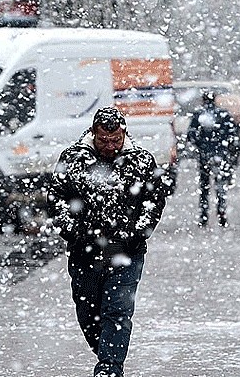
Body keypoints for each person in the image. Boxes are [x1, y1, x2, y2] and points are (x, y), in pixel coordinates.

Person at [48, 106, 169, 377]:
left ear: (124, 133)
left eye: (115, 140)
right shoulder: (73, 158)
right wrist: (71, 230)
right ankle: (105, 351)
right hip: (85, 251)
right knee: (88, 312)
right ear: (93, 133)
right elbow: (56, 197)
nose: (110, 146)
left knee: (118, 310)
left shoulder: (141, 160)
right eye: (104, 140)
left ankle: (109, 369)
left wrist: (138, 232)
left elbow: (154, 200)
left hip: (126, 251)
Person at [187, 90, 240, 227]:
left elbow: (191, 135)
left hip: (204, 156)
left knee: (205, 187)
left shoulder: (199, 115)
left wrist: (200, 146)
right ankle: (221, 214)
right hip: (221, 155)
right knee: (220, 186)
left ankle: (204, 216)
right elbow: (233, 135)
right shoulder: (223, 115)